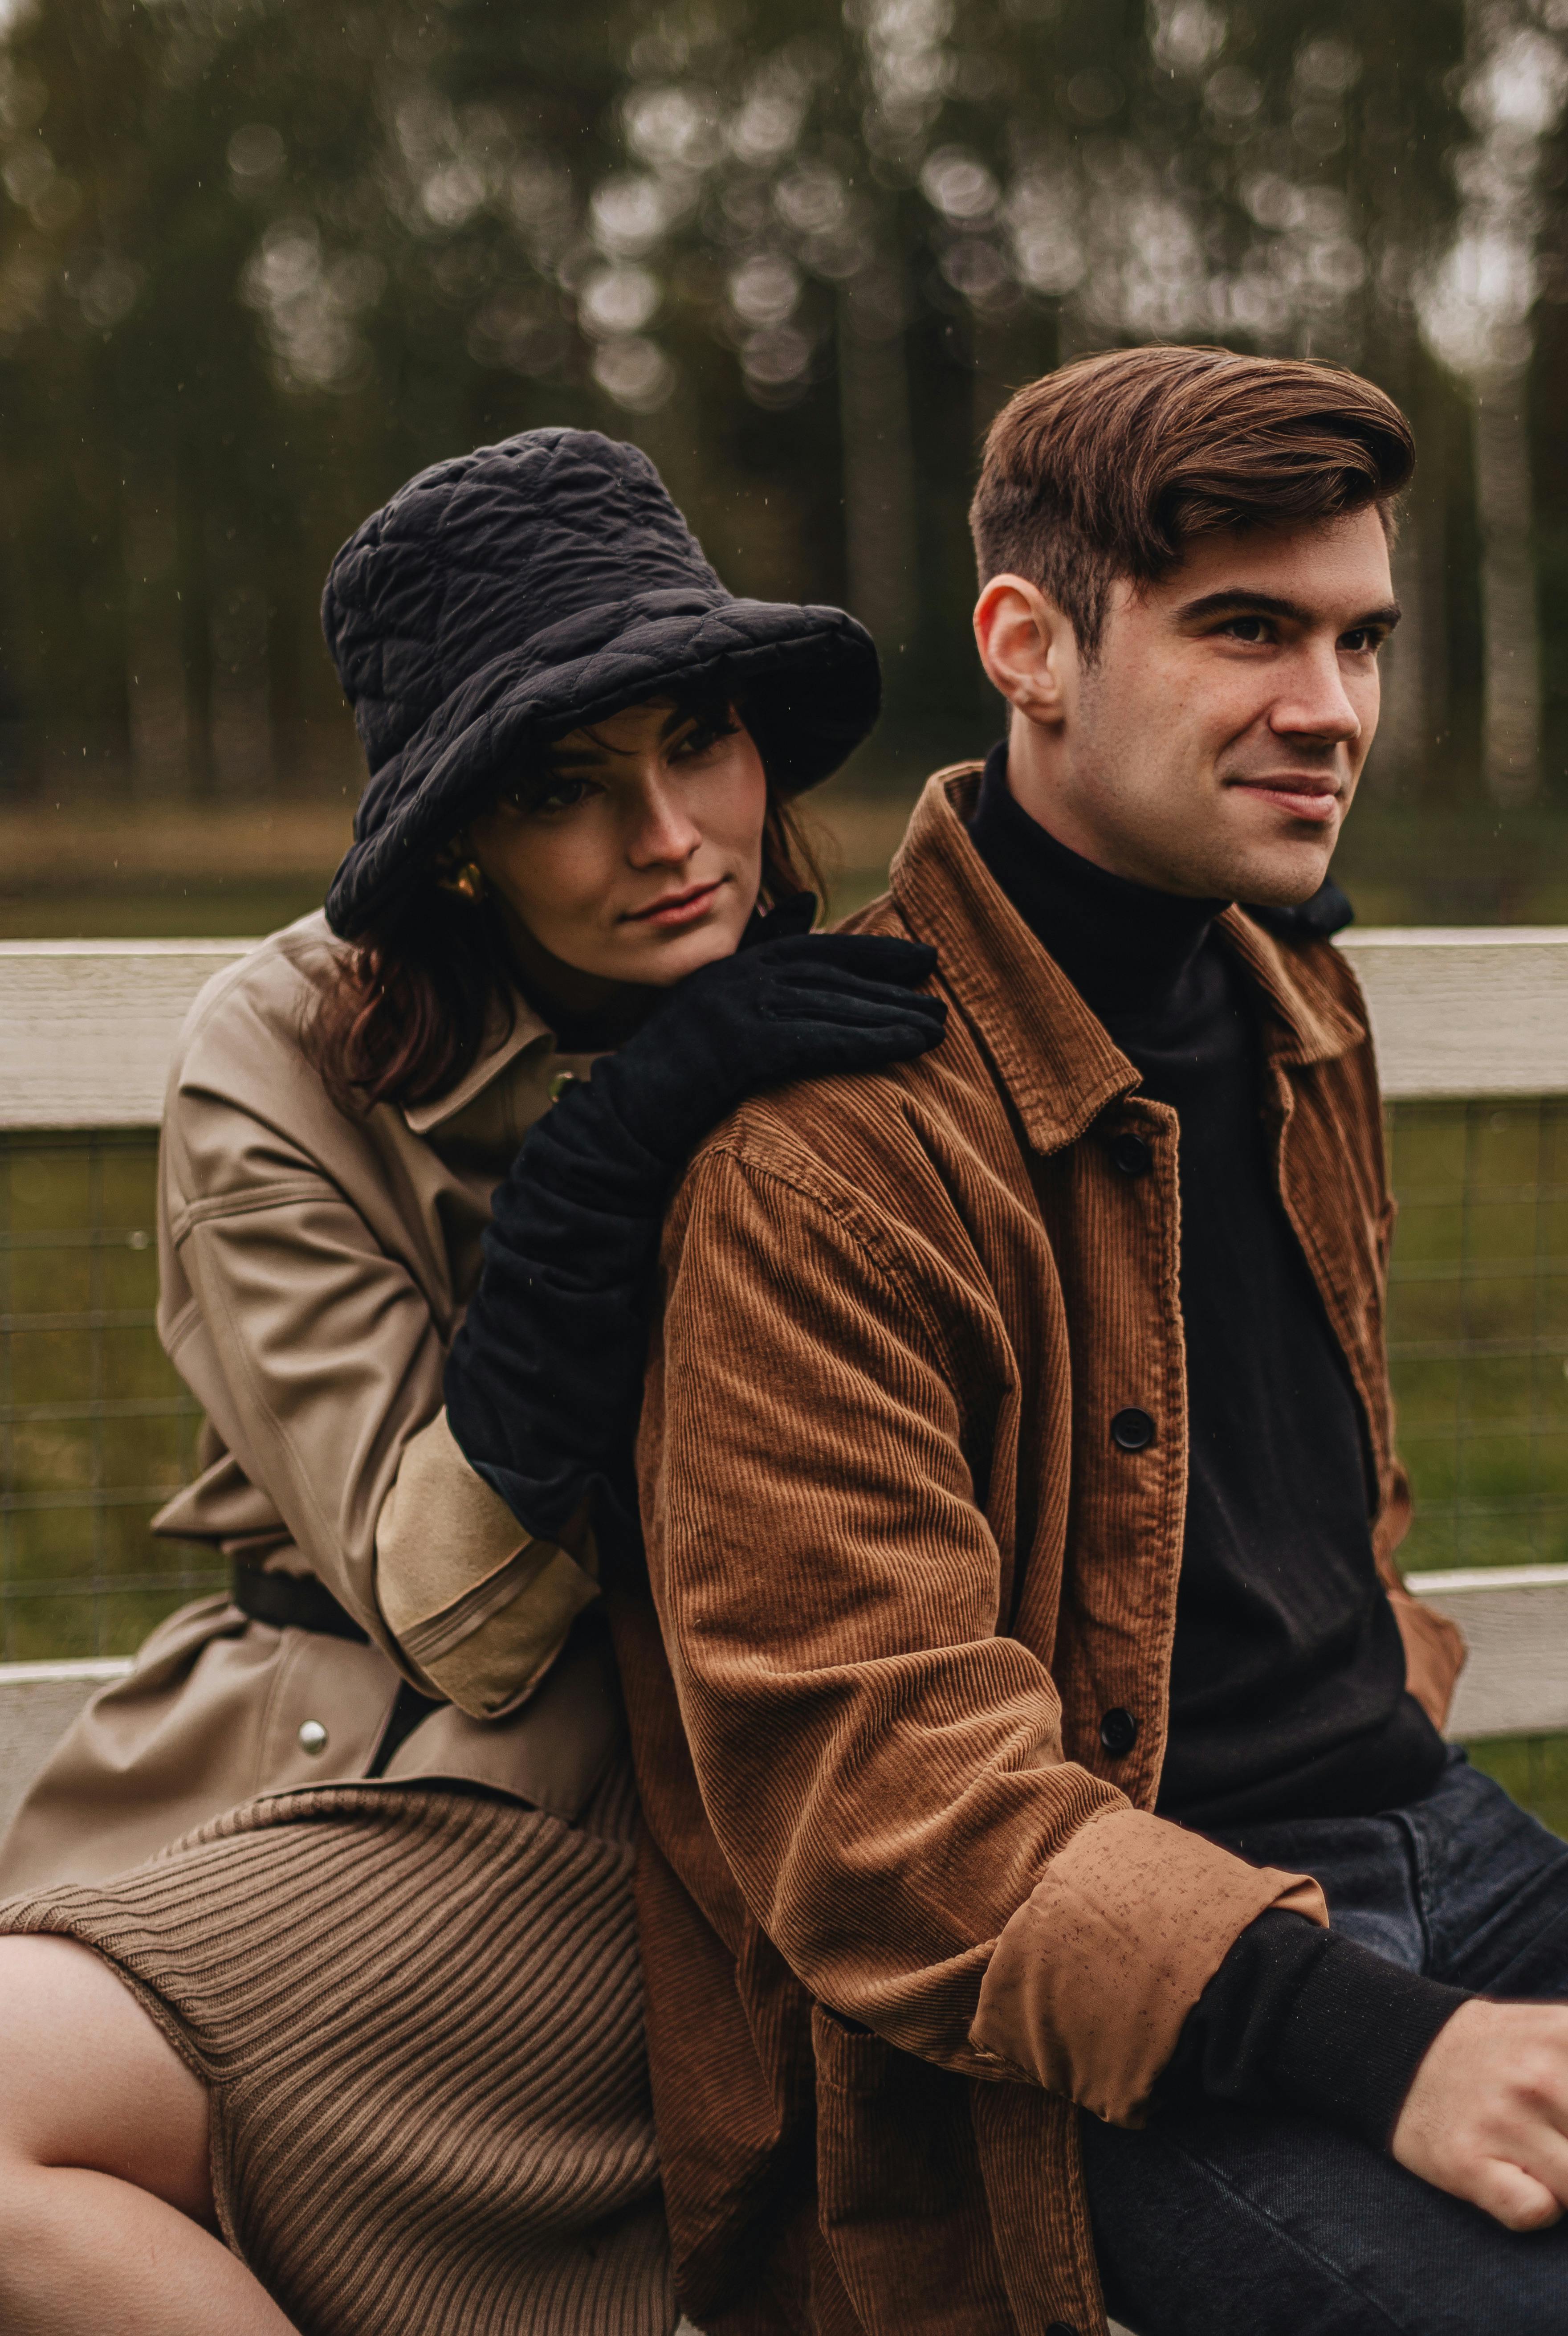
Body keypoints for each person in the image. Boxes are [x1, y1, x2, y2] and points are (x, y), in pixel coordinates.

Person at [596, 349, 1568, 2336]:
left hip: (1435, 1843)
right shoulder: (825, 1149)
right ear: (1028, 645)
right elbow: (884, 1801)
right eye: (1245, 630)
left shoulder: (1296, 1008)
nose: (1328, 710)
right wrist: (1381, 2040)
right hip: (1092, 1983)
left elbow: (1332, 1510)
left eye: (1357, 639)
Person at [0, 426, 943, 2336]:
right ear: (457, 837)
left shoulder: (863, 1019)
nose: (669, 836)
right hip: (328, 1751)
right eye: (565, 788)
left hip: (670, 1808)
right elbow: (452, 1612)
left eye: (699, 742)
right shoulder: (280, 1050)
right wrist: (607, 1160)